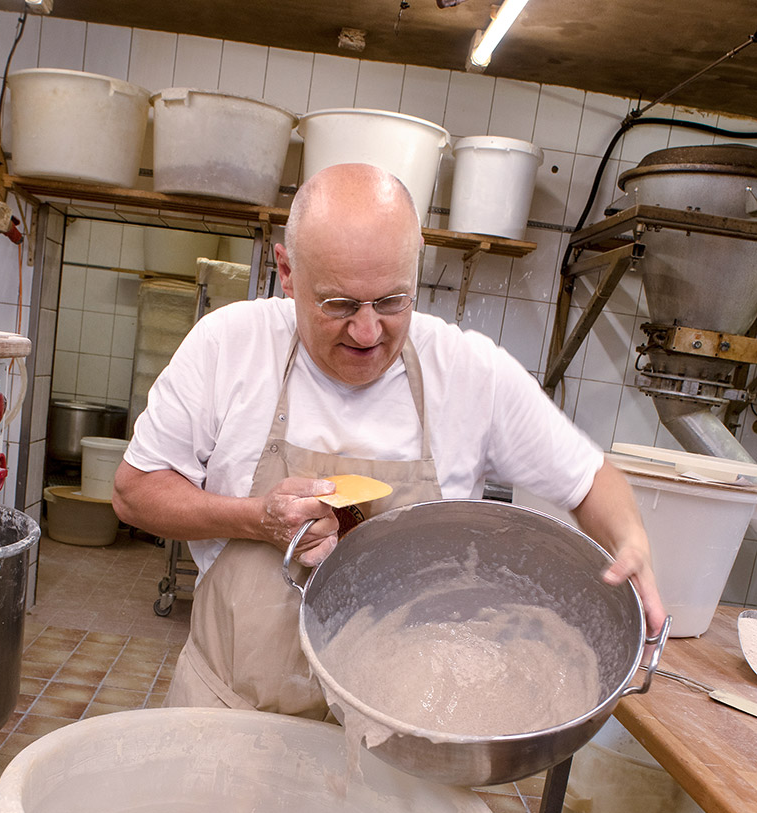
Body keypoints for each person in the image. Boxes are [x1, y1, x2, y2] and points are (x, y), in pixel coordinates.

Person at [113, 163, 666, 718]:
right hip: (229, 718)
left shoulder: (470, 373)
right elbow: (135, 492)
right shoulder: (229, 346)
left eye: (392, 301)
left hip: (400, 736)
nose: (367, 331)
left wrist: (631, 542)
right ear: (286, 270)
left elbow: (592, 480)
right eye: (338, 304)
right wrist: (258, 518)